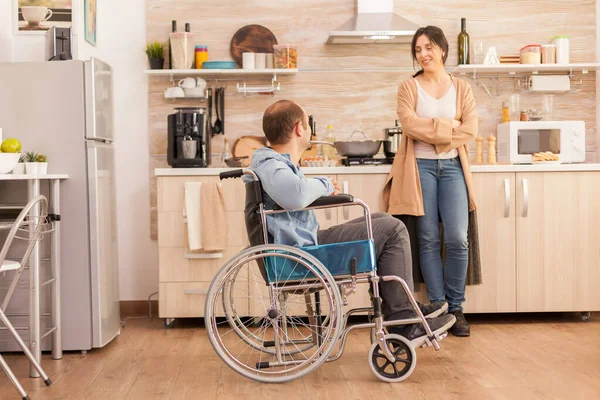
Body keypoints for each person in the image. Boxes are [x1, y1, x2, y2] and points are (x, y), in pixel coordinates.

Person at [243, 99, 456, 347]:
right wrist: (323, 183)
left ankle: (402, 311)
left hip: (303, 248)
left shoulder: (274, 163)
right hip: (300, 258)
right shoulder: (270, 164)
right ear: (300, 128)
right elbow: (295, 195)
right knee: (393, 229)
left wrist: (318, 187)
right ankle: (403, 318)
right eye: (309, 125)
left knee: (382, 220)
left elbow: (293, 194)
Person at [383, 26, 480, 337]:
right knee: (426, 239)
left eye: (428, 48)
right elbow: (409, 125)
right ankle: (437, 307)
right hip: (419, 168)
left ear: (442, 49)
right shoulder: (408, 87)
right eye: (417, 50)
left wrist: (434, 131)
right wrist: (448, 127)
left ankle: (456, 307)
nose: (423, 54)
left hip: (453, 167)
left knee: (457, 238)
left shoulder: (461, 88)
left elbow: (471, 131)